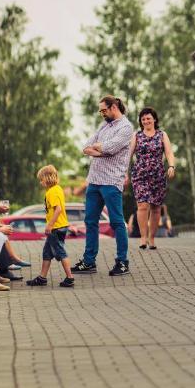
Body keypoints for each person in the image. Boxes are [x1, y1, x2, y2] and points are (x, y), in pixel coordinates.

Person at [72, 95, 134, 277]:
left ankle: (122, 262)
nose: (101, 113)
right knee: (90, 221)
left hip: (112, 181)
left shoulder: (126, 127)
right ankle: (89, 262)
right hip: (94, 181)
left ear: (114, 107)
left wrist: (99, 149)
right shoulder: (104, 126)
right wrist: (100, 150)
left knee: (116, 222)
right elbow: (86, 146)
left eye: (103, 110)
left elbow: (111, 148)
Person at [128, 107, 176, 250]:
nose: (146, 121)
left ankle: (152, 238)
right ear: (140, 122)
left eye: (148, 118)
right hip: (140, 174)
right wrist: (124, 172)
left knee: (156, 208)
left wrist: (171, 166)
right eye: (143, 119)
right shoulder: (136, 135)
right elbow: (128, 155)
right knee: (142, 205)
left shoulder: (162, 135)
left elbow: (169, 152)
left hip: (158, 175)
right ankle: (143, 238)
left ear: (154, 119)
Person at [27, 165, 74, 288]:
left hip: (56, 227)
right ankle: (42, 278)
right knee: (47, 252)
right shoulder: (57, 189)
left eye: (41, 179)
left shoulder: (52, 192)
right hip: (61, 225)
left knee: (60, 251)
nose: (40, 181)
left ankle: (70, 277)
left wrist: (50, 225)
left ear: (47, 178)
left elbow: (58, 209)